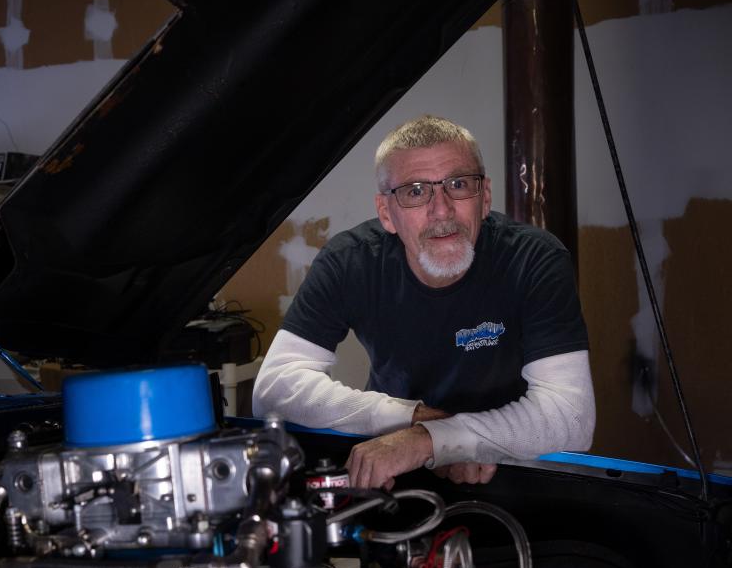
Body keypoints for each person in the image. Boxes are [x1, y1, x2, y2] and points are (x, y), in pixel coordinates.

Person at [252, 115, 595, 489]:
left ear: (485, 198)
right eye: (415, 191)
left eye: (459, 184)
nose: (442, 209)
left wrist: (435, 440)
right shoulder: (350, 261)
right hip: (396, 467)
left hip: (515, 469)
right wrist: (411, 420)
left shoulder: (535, 259)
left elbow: (572, 418)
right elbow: (274, 390)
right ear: (387, 213)